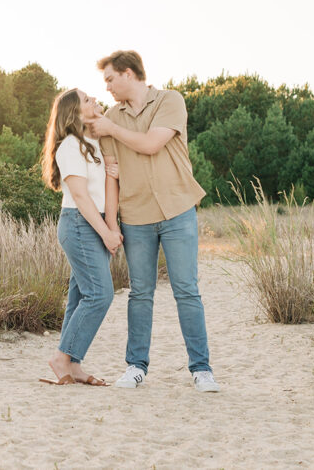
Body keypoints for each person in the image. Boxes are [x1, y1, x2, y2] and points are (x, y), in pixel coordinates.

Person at [89, 50, 220, 392]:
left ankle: (201, 369)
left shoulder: (169, 101)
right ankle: (135, 367)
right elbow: (111, 178)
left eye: (110, 80)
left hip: (178, 210)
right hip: (135, 217)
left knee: (187, 291)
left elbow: (151, 144)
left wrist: (111, 129)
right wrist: (112, 223)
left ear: (129, 73)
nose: (107, 89)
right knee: (140, 293)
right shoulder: (109, 120)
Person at [39, 88, 122, 386]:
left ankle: (72, 365)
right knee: (100, 294)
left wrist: (111, 225)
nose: (95, 100)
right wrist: (106, 234)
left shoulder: (92, 143)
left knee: (79, 296)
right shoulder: (70, 146)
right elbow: (80, 196)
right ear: (74, 112)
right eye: (87, 100)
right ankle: (62, 357)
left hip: (93, 221)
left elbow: (102, 191)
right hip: (79, 223)